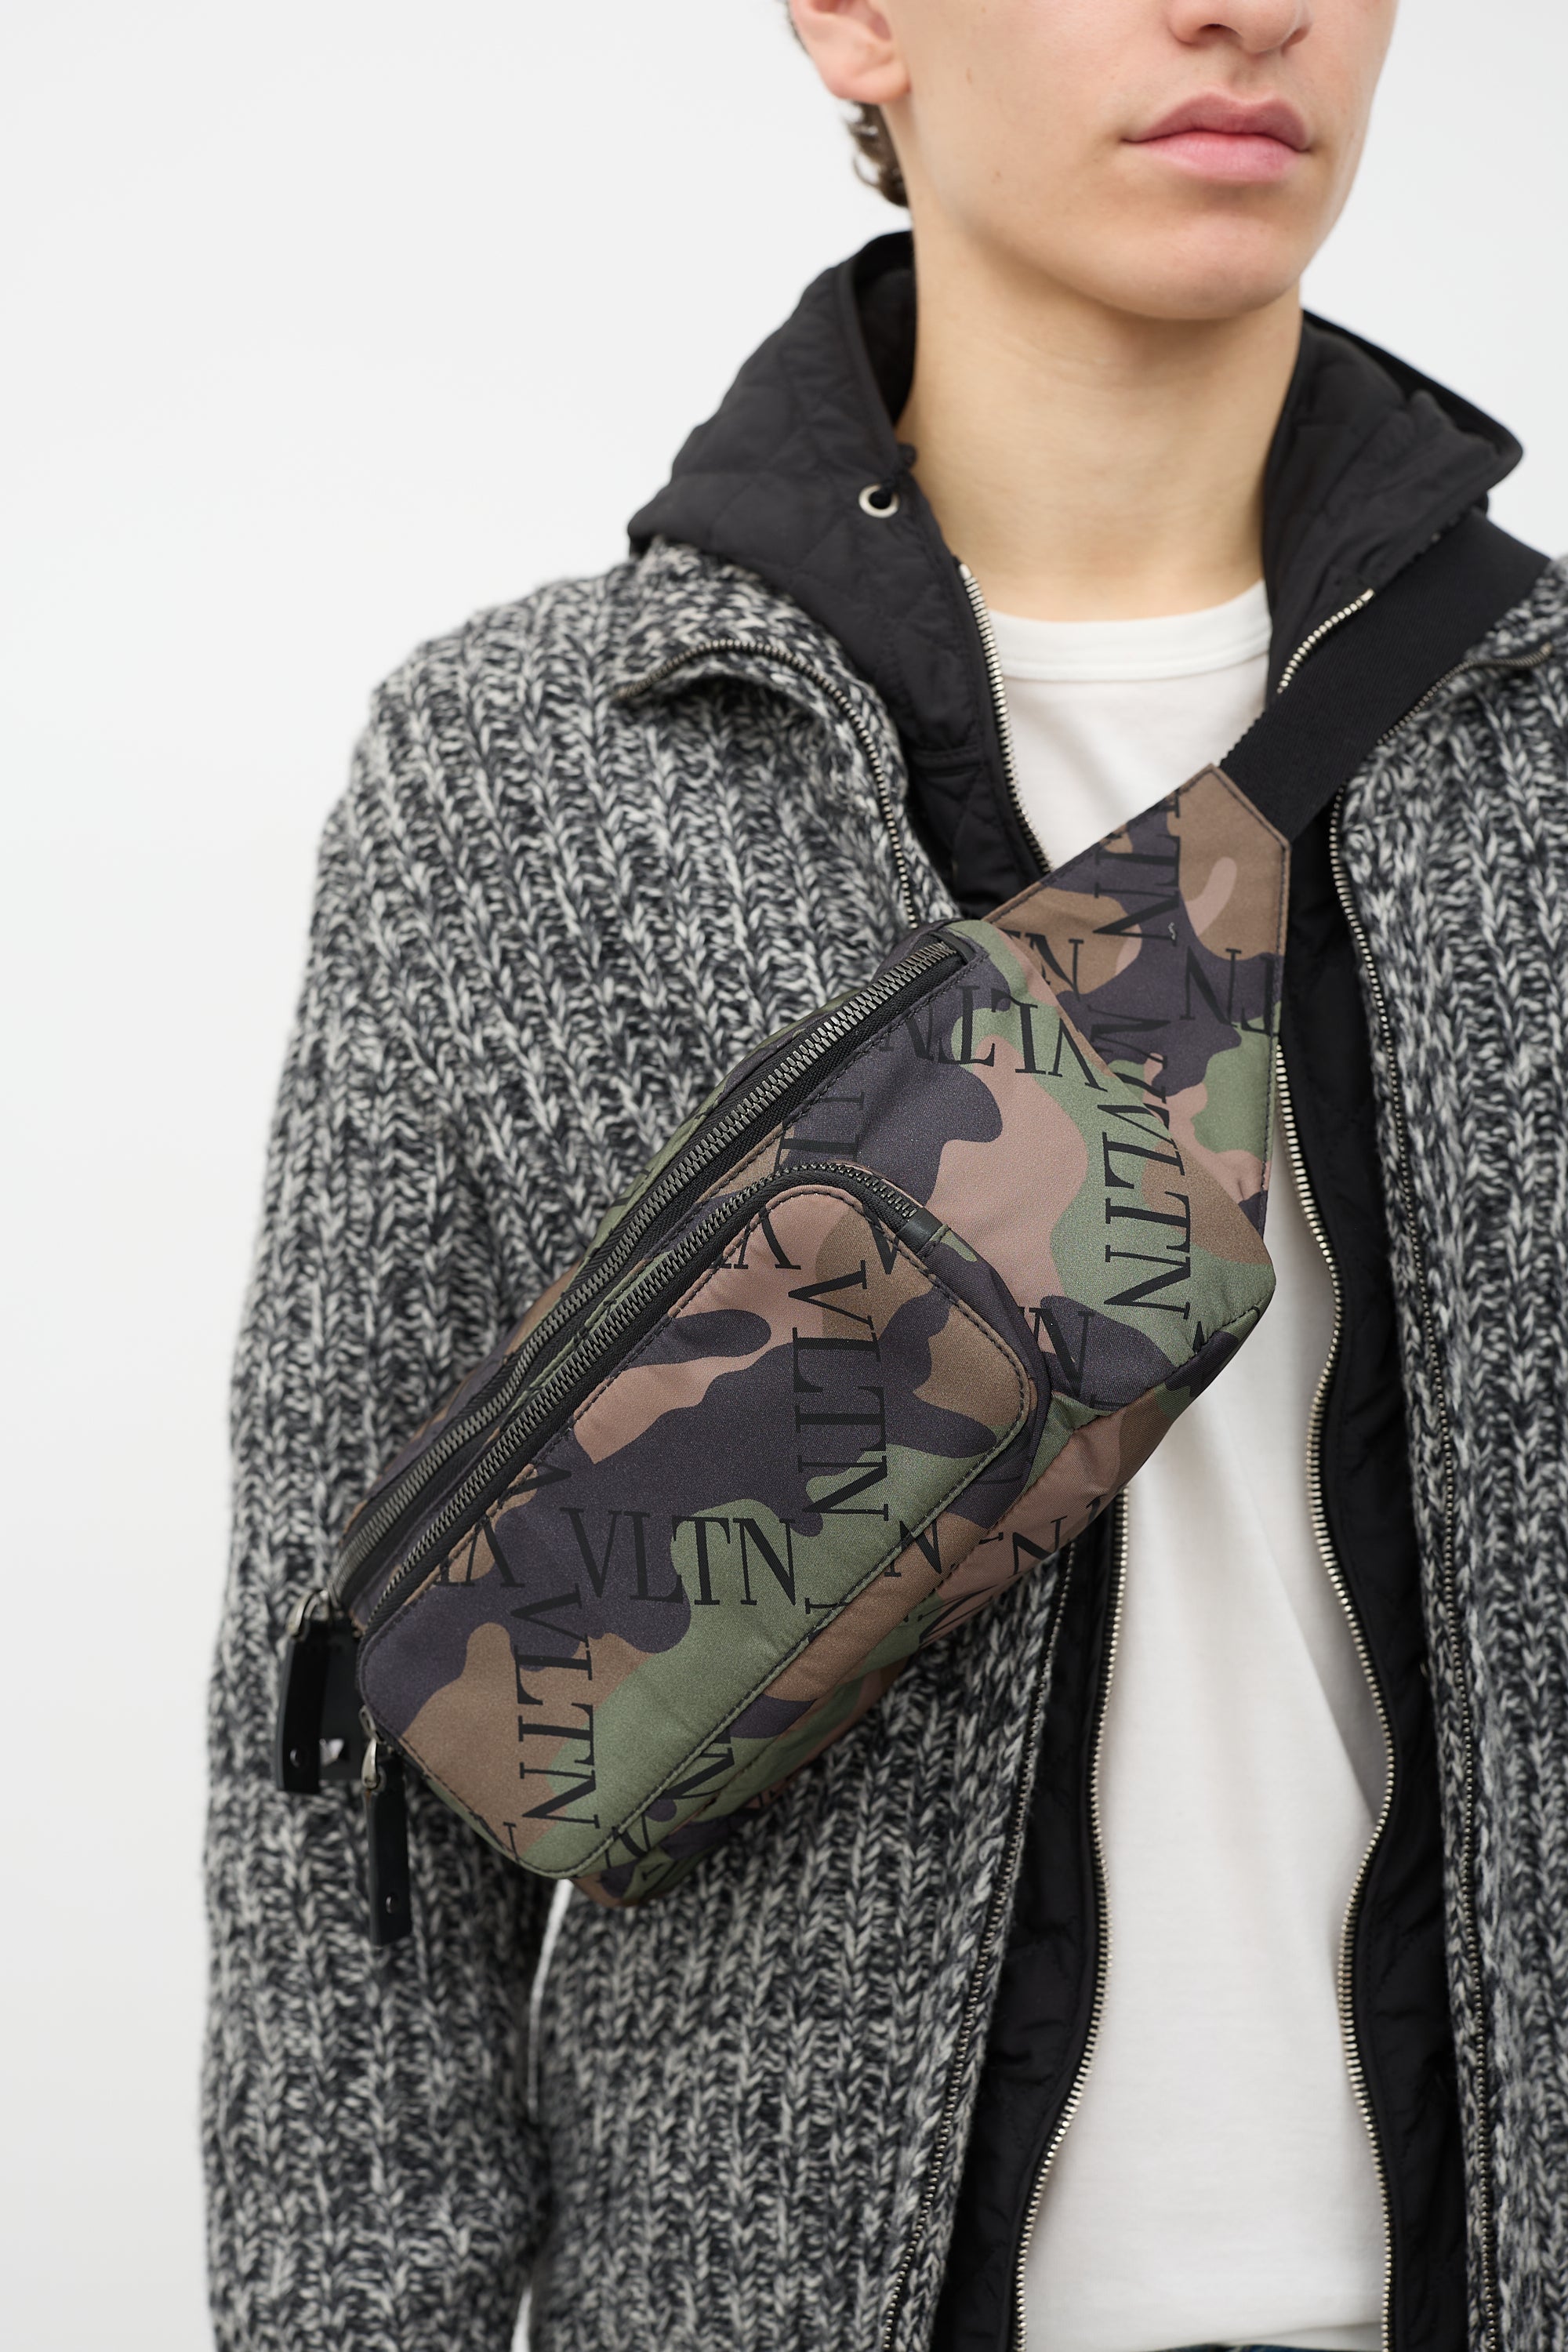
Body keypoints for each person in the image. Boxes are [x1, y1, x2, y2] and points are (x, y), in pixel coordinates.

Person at [202, 2, 1568, 2348]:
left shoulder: (1537, 752)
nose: (1246, 8)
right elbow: (344, 1766)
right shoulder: (534, 773)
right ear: (854, 19)